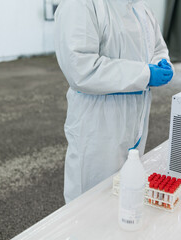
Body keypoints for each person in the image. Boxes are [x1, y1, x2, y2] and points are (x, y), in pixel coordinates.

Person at [55, 0, 174, 203]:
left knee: (128, 189)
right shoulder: (82, 5)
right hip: (98, 124)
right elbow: (81, 69)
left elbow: (157, 48)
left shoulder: (141, 9)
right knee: (90, 199)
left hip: (135, 118)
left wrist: (161, 63)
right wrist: (144, 74)